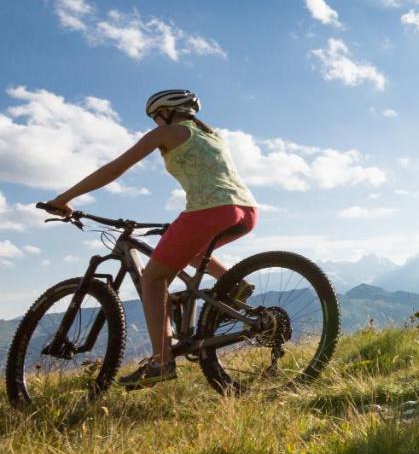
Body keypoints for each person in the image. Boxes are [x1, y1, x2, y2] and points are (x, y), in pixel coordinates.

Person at [44, 90, 258, 388]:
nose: (155, 124)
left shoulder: (170, 132)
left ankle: (161, 361)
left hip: (210, 211)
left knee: (152, 280)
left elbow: (113, 169)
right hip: (245, 211)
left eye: (155, 118)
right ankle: (234, 285)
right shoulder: (212, 135)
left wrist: (63, 199)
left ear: (166, 112)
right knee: (187, 250)